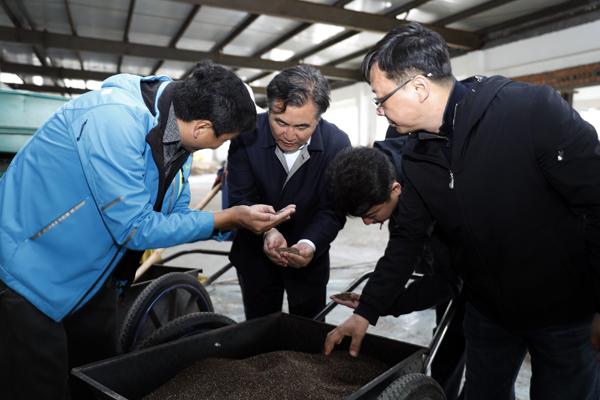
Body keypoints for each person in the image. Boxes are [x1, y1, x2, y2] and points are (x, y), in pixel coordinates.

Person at [323, 22, 600, 400]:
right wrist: (366, 311)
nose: (379, 110)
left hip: (562, 311)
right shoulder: (418, 155)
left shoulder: (530, 112)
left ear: (418, 87)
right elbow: (406, 240)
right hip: (489, 312)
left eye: (381, 98)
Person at [0, 60, 295, 400]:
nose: (218, 148)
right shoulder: (113, 121)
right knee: (42, 384)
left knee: (96, 374)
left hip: (91, 273)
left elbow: (178, 213)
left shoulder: (178, 137)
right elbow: (134, 226)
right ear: (202, 128)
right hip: (30, 273)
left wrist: (236, 224)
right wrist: (227, 218)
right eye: (222, 140)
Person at [329, 142, 466, 400]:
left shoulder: (438, 193)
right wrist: (374, 304)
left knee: (480, 354)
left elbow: (447, 279)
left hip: (494, 268)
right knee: (448, 334)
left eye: (371, 214)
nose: (368, 223)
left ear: (395, 189)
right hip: (447, 262)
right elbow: (400, 255)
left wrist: (371, 308)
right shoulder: (386, 167)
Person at [227, 64, 351, 320]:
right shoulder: (245, 136)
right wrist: (267, 231)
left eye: (302, 127)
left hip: (309, 261)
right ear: (269, 108)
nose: (289, 135)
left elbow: (333, 209)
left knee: (308, 331)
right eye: (280, 122)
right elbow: (240, 196)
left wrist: (309, 244)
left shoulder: (337, 145)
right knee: (259, 329)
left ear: (319, 118)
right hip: (255, 256)